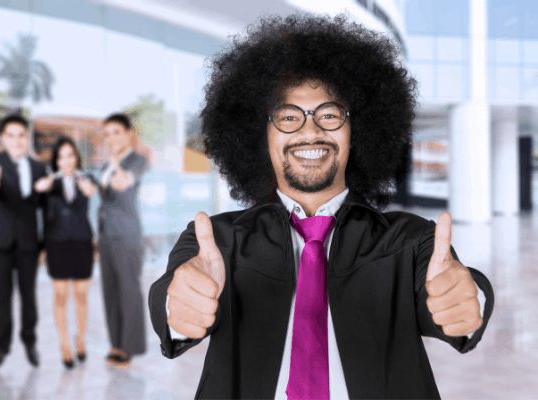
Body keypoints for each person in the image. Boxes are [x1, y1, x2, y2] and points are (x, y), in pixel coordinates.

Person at [148, 14, 495, 399]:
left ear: (357, 130)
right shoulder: (216, 240)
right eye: (287, 117)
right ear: (258, 135)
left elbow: (454, 296)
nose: (310, 131)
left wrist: (466, 299)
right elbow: (170, 299)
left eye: (329, 115)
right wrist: (177, 308)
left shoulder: (413, 240)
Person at [0, 114, 47, 370]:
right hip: (0, 241)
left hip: (29, 242)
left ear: (27, 138)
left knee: (29, 296)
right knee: (3, 296)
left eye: (21, 135)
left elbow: (43, 207)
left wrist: (43, 192)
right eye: (11, 135)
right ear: (3, 139)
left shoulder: (39, 168)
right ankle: (2, 347)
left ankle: (29, 342)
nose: (16, 141)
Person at [33, 137, 98, 369]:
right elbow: (37, 195)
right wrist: (40, 187)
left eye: (70, 155)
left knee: (81, 295)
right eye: (61, 156)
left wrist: (87, 187)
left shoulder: (86, 178)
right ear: (57, 161)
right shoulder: (50, 182)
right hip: (57, 244)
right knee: (60, 296)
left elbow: (91, 190)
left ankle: (80, 339)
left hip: (81, 243)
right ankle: (65, 345)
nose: (66, 160)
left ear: (76, 158)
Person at [98, 113, 149, 368]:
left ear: (129, 133)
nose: (111, 138)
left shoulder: (136, 160)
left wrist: (121, 175)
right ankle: (116, 343)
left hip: (127, 234)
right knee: (110, 291)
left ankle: (131, 347)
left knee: (129, 289)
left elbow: (127, 180)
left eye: (116, 132)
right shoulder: (106, 164)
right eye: (107, 134)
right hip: (105, 234)